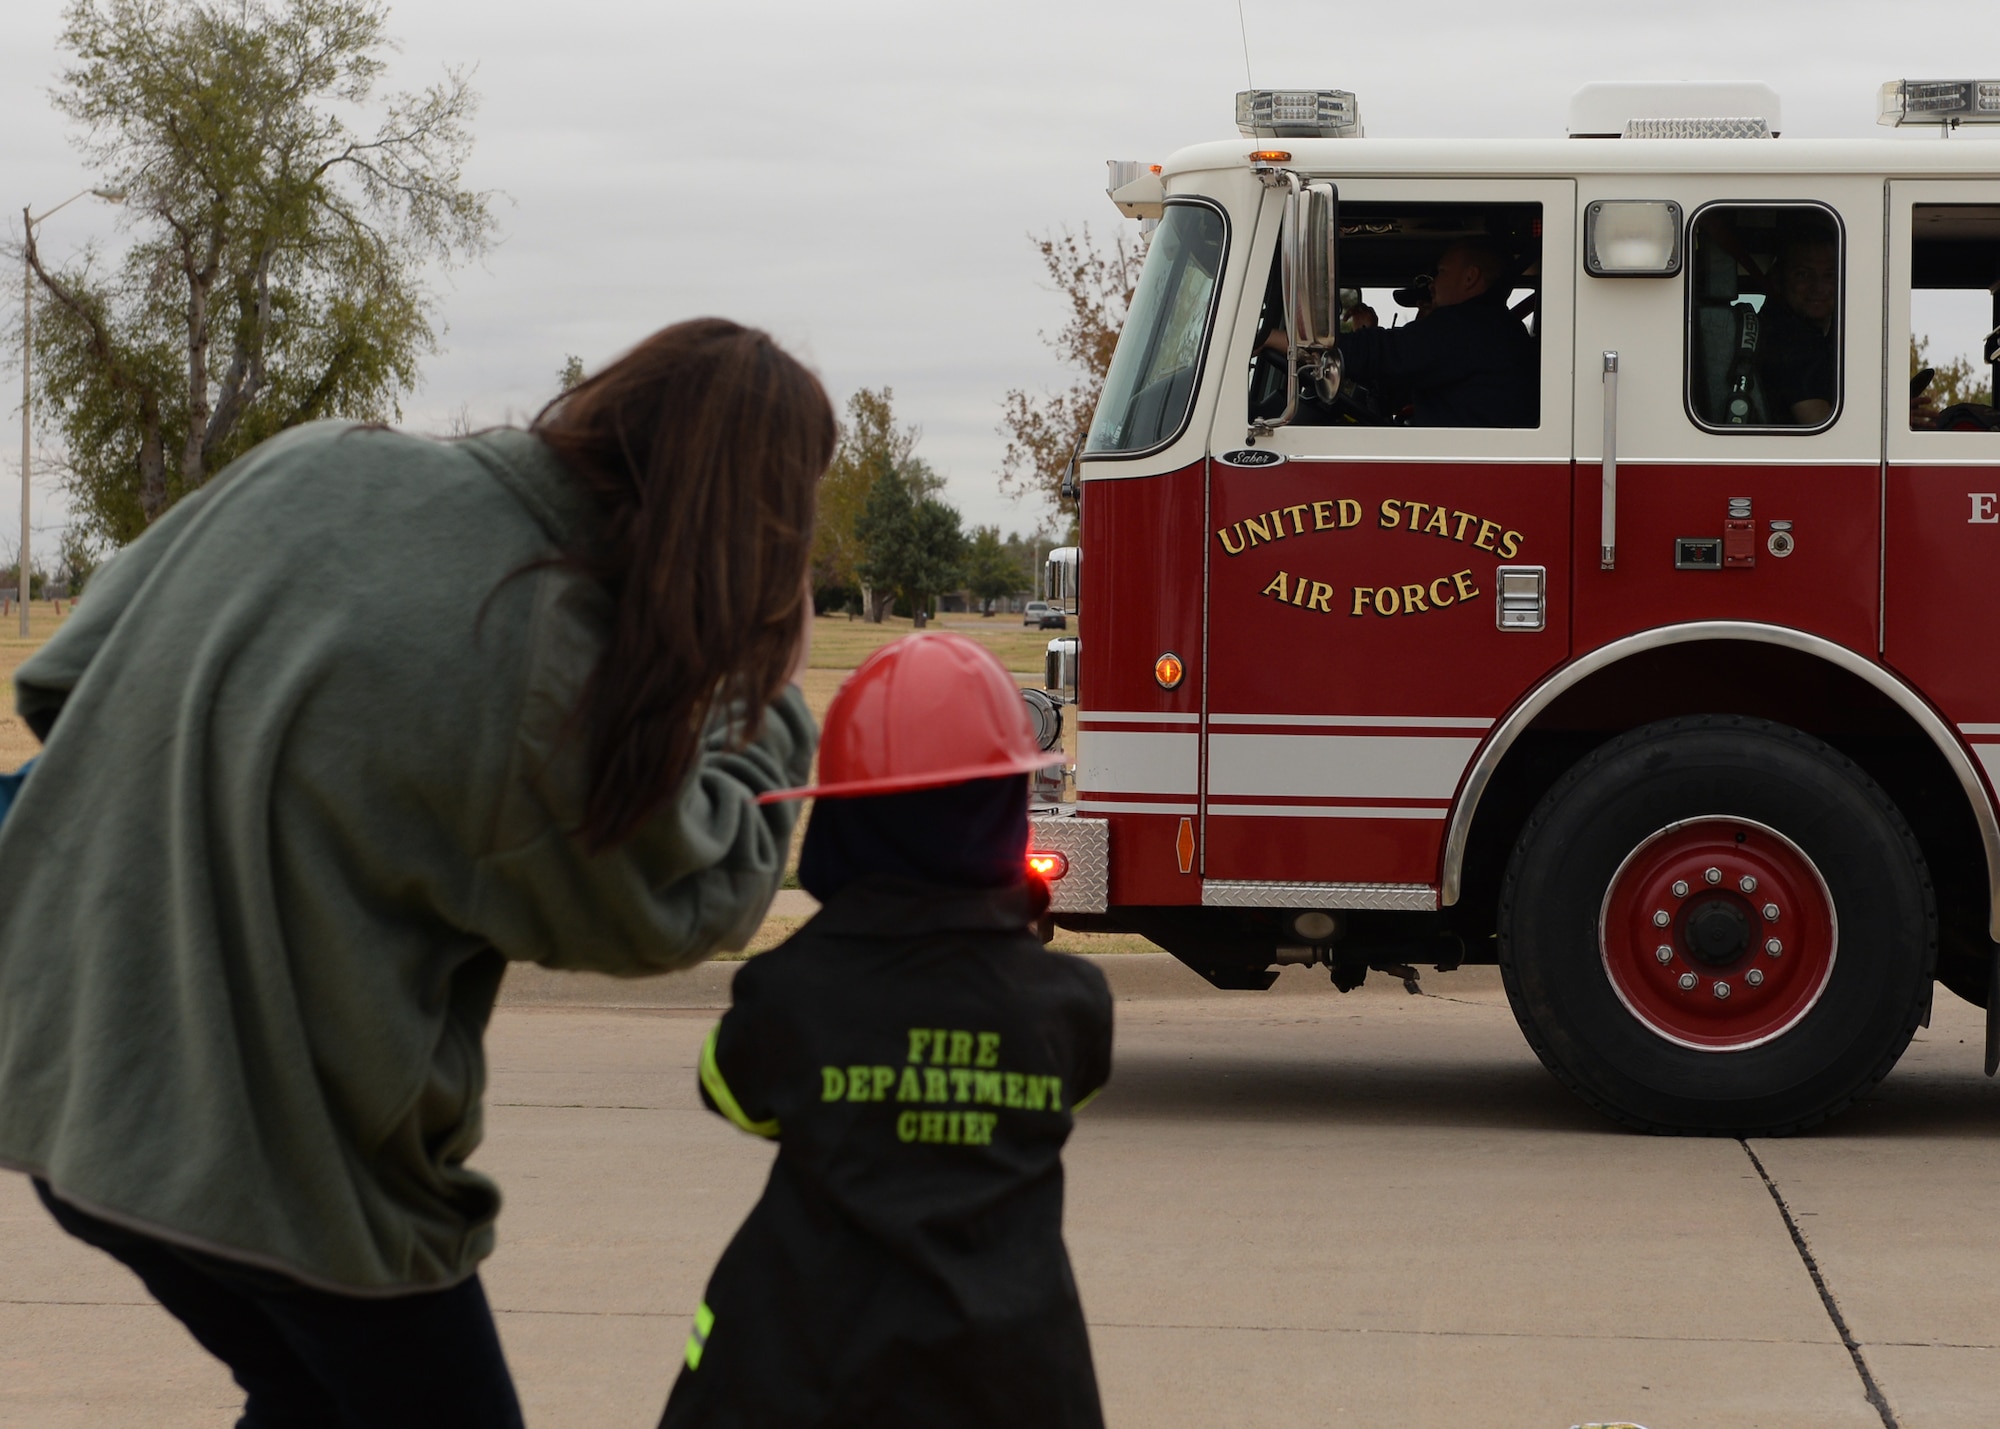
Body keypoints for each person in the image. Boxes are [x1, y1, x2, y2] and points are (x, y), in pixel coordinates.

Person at [0, 317, 832, 1426]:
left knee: (307, 1398)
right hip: (287, 1185)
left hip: (57, 1079)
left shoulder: (320, 457)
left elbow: (64, 680)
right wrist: (759, 686)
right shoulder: (544, 662)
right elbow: (691, 900)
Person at [660, 632, 1114, 1429]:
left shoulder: (788, 990)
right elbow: (1077, 1081)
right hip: (1017, 1383)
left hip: (803, 1380)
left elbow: (733, 1091)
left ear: (841, 821)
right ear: (1010, 814)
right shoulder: (1069, 1004)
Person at [1333, 240, 1537, 426]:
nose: (1433, 284)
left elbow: (1386, 352)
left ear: (1470, 277)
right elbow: (1393, 384)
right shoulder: (1493, 326)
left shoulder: (1466, 325)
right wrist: (1365, 334)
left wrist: (1321, 346)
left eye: (1441, 272)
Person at [1756, 233, 1839, 426]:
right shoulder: (1791, 341)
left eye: (1830, 275)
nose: (1819, 287)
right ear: (1778, 279)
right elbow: (1822, 426)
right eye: (1803, 274)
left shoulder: (1827, 336)